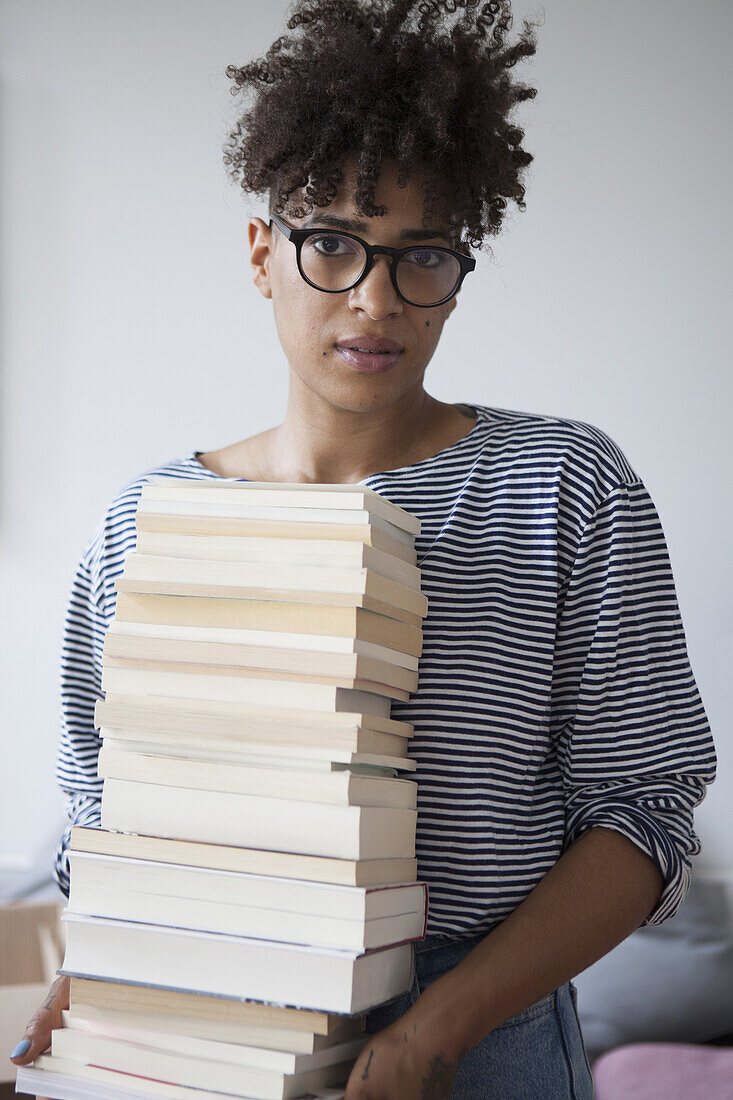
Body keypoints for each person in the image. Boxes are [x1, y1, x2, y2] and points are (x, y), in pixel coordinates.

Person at [10, 2, 717, 1097]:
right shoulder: (146, 517)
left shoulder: (562, 485)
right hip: (210, 1025)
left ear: (459, 268)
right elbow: (101, 810)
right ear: (262, 254)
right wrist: (94, 1000)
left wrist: (436, 1026)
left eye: (420, 255)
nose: (375, 300)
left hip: (485, 1034)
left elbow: (644, 809)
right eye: (332, 244)